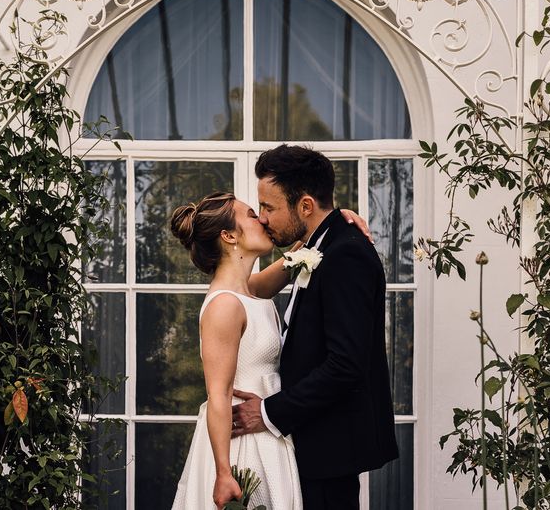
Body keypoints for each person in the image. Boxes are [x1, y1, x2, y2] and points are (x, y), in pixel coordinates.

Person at [170, 192, 370, 510]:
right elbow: (217, 395)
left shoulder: (250, 290)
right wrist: (223, 473)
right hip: (242, 444)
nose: (262, 219)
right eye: (252, 214)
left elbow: (298, 256)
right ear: (229, 236)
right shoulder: (224, 305)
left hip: (269, 430)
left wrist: (334, 218)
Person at [231, 145, 399, 510]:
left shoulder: (346, 253)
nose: (262, 218)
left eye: (269, 207)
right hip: (309, 444)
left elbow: (345, 366)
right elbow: (250, 290)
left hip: (329, 449)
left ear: (305, 206)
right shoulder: (322, 244)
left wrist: (267, 413)